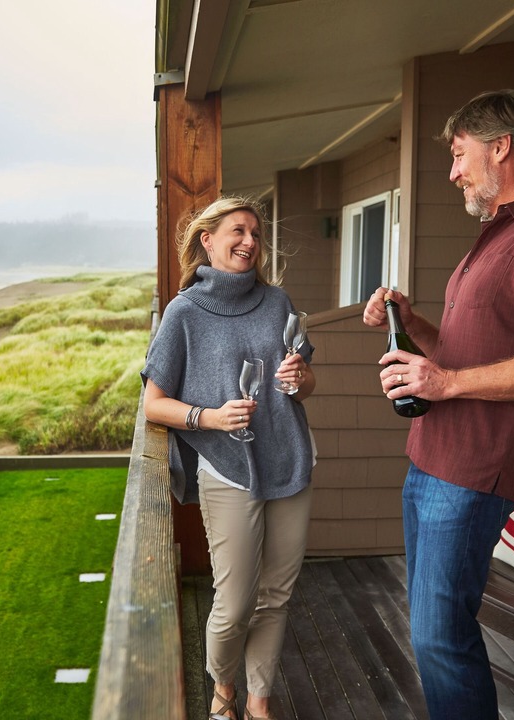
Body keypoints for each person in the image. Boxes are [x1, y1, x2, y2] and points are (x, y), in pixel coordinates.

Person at [362, 89, 514, 719]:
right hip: (432, 458)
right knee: (430, 630)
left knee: (441, 635)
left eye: (459, 153)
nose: (453, 171)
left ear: (501, 147)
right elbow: (461, 355)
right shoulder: (493, 238)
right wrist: (411, 323)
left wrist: (442, 384)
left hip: (475, 470)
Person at [142, 196, 316, 720]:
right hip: (226, 468)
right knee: (234, 603)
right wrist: (209, 418)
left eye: (256, 235)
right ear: (207, 240)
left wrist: (302, 380)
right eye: (237, 231)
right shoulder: (183, 312)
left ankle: (259, 701)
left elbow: (306, 382)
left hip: (290, 461)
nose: (248, 242)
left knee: (276, 596)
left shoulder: (279, 301)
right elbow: (154, 403)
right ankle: (224, 692)